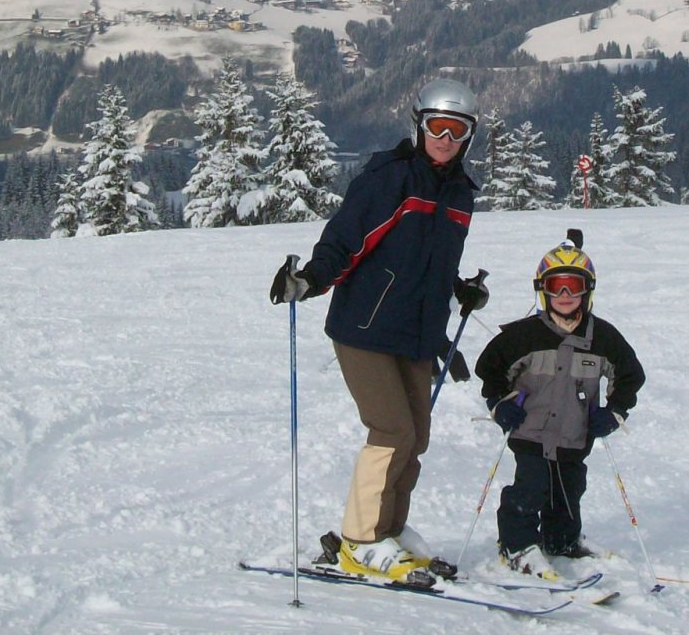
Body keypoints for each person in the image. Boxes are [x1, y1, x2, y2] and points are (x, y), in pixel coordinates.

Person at [269, 77, 488, 581]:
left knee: (416, 437)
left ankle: (389, 529)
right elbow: (344, 241)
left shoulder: (460, 194)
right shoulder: (389, 179)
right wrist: (309, 280)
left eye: (458, 131)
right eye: (438, 127)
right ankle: (361, 540)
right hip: (364, 328)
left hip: (415, 334)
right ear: (418, 125)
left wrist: (459, 292)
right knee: (391, 431)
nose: (446, 140)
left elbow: (428, 262)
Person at [473, 234, 644, 581]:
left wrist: (613, 412)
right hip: (529, 430)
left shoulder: (603, 337)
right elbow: (490, 369)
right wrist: (499, 405)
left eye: (573, 287)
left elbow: (630, 375)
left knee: (569, 488)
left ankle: (561, 540)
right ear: (543, 289)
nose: (565, 296)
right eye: (556, 287)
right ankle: (517, 544)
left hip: (574, 432)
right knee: (530, 487)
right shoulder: (523, 335)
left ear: (587, 290)